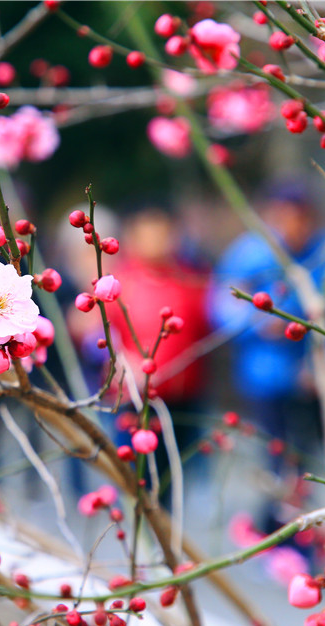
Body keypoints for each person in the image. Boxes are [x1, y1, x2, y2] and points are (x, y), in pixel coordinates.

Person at [210, 181, 325, 535]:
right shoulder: (250, 254)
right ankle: (275, 530)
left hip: (314, 379)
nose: (292, 227)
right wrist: (256, 322)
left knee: (309, 458)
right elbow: (221, 305)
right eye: (282, 217)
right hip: (265, 378)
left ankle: (293, 528)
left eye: (300, 218)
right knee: (278, 457)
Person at [105, 203, 213, 510]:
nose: (158, 241)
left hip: (184, 393)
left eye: (164, 234)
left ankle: (167, 536)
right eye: (149, 234)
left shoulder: (191, 279)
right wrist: (121, 363)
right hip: (135, 397)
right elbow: (96, 334)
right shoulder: (117, 283)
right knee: (139, 475)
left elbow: (206, 326)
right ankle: (145, 534)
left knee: (175, 473)